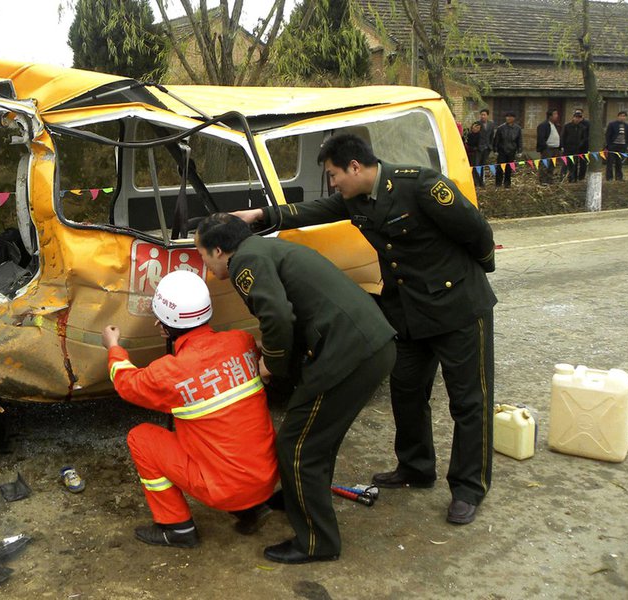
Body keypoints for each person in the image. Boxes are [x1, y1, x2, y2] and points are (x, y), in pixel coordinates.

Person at [232, 133, 497, 527]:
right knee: (406, 391)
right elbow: (317, 210)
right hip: (409, 313)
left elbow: (477, 232)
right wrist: (262, 217)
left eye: (334, 174)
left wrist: (468, 277)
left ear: (355, 167)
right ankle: (416, 466)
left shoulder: (420, 185)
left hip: (458, 307)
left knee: (468, 401)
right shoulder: (357, 199)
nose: (333, 183)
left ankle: (468, 487)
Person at [194, 213, 396, 565]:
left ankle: (318, 542)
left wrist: (270, 363)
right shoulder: (264, 249)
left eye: (203, 255)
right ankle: (296, 498)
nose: (205, 264)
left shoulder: (246, 261)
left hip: (349, 354)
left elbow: (277, 316)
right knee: (317, 437)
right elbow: (294, 310)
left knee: (296, 443)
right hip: (368, 345)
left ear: (218, 250)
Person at [103, 270, 278, 549]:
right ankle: (251, 508)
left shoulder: (169, 373)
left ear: (162, 327)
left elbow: (125, 383)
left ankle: (176, 528)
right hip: (267, 478)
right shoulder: (241, 342)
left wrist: (113, 348)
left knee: (141, 438)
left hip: (224, 490)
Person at [492, 112, 522, 187]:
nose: (508, 118)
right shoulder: (500, 128)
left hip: (512, 151)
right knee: (500, 168)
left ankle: (507, 183)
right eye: (507, 117)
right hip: (502, 150)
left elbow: (519, 140)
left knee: (509, 168)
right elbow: (496, 140)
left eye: (510, 117)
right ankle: (498, 183)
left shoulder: (518, 129)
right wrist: (495, 150)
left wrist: (519, 150)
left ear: (513, 118)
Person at [561, 110, 589, 182]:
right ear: (573, 118)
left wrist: (580, 144)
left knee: (574, 164)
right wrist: (562, 146)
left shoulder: (582, 127)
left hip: (576, 149)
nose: (577, 119)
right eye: (576, 117)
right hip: (567, 148)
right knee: (565, 164)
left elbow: (584, 138)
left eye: (579, 118)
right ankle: (562, 178)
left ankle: (572, 179)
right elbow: (563, 136)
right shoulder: (567, 126)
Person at [536, 110, 563, 184]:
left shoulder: (556, 125)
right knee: (545, 164)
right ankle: (543, 180)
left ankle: (549, 179)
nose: (557, 116)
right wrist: (544, 147)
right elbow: (541, 137)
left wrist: (560, 147)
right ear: (550, 116)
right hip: (547, 149)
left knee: (552, 165)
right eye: (555, 114)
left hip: (555, 149)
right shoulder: (544, 125)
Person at [605, 111, 628, 181]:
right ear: (618, 116)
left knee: (619, 162)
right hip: (613, 145)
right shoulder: (612, 124)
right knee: (610, 162)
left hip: (622, 146)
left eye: (624, 116)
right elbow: (608, 135)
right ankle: (609, 177)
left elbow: (626, 136)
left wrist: (626, 145)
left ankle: (619, 177)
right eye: (621, 116)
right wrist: (609, 145)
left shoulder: (627, 126)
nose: (622, 117)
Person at [477, 109, 495, 186]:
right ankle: (477, 182)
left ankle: (482, 182)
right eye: (481, 115)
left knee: (483, 165)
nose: (483, 116)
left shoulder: (491, 124)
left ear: (487, 115)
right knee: (477, 165)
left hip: (487, 148)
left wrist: (490, 146)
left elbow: (492, 136)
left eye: (484, 115)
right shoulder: (477, 124)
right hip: (479, 148)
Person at [464, 121, 483, 187]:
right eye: (475, 127)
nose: (476, 129)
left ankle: (477, 182)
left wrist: (473, 148)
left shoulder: (480, 135)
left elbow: (479, 146)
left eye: (478, 128)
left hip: (476, 153)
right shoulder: (468, 134)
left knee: (475, 167)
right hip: (468, 153)